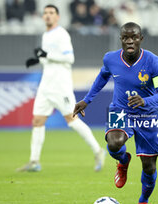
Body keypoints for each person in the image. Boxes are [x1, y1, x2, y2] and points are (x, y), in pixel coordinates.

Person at [73, 22, 158, 204]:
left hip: (147, 114)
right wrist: (87, 100)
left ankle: (143, 202)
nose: (130, 41)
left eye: (134, 37)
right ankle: (123, 160)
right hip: (120, 110)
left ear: (141, 39)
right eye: (126, 37)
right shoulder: (111, 59)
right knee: (114, 143)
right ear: (121, 39)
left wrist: (145, 99)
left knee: (149, 166)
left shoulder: (154, 62)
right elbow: (102, 77)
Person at [17, 4, 105, 172]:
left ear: (57, 17)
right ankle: (34, 161)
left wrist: (46, 55)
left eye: (51, 13)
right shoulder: (46, 35)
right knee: (37, 121)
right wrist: (38, 60)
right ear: (43, 17)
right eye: (46, 13)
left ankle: (98, 151)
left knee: (72, 120)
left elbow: (69, 58)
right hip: (46, 85)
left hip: (60, 86)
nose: (48, 15)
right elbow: (49, 58)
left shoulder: (61, 34)